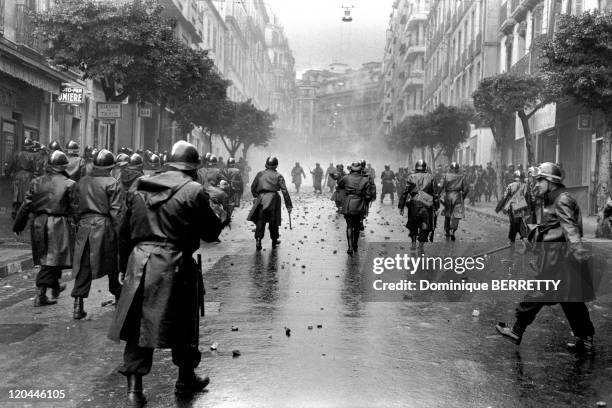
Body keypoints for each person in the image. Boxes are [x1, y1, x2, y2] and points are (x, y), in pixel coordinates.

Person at [108, 141, 225, 407]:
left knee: (138, 326)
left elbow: (123, 230)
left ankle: (134, 390)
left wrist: (122, 266)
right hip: (175, 262)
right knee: (184, 323)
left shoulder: (139, 185)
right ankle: (185, 378)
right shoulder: (194, 190)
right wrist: (219, 211)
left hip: (139, 262)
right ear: (193, 168)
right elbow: (210, 232)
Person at [496, 162, 596, 353]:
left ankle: (517, 330)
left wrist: (578, 252)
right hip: (559, 259)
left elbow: (569, 229)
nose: (538, 183)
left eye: (541, 179)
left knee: (536, 294)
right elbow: (550, 230)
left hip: (562, 261)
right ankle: (586, 341)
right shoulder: (553, 199)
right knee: (572, 302)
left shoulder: (562, 199)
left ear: (551, 181)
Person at [13, 150, 76, 306]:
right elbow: (76, 208)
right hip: (59, 224)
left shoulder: (36, 181)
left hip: (39, 223)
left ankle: (54, 285)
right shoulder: (69, 184)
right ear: (64, 166)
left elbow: (26, 205)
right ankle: (40, 294)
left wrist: (19, 224)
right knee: (52, 259)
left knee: (50, 258)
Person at [71, 149, 122, 319]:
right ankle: (118, 295)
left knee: (84, 266)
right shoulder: (113, 182)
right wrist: (120, 232)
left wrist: (78, 222)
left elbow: (76, 207)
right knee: (112, 263)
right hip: (104, 226)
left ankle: (78, 305)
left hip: (85, 226)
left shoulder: (82, 181)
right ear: (110, 167)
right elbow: (116, 212)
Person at [248, 157, 293, 250]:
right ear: (276, 165)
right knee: (273, 220)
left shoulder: (260, 174)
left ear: (266, 164)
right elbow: (284, 190)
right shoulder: (278, 175)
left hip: (261, 198)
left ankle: (258, 240)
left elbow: (253, 187)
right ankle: (274, 239)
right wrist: (288, 205)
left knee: (260, 219)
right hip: (274, 198)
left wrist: (257, 195)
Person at [399, 160, 436, 252]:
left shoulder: (410, 176)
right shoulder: (431, 177)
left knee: (413, 224)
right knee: (425, 225)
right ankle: (421, 246)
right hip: (427, 205)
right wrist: (437, 206)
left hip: (414, 204)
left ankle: (413, 243)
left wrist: (401, 206)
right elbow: (435, 193)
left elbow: (405, 192)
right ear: (425, 167)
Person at [339, 162, 374, 254]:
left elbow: (340, 185)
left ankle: (350, 247)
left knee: (349, 226)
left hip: (348, 204)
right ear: (360, 170)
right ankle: (355, 244)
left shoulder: (346, 177)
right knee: (357, 226)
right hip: (359, 204)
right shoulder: (365, 180)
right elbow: (369, 195)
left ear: (351, 169)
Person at [8, 138, 37, 219]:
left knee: (16, 194)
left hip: (17, 175)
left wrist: (8, 174)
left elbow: (10, 165)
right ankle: (24, 212)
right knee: (26, 195)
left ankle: (14, 210)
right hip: (28, 176)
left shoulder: (16, 154)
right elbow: (35, 168)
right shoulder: (33, 155)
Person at [441, 162, 469, 241]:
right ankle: (453, 230)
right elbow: (466, 189)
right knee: (456, 215)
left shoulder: (446, 176)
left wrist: (438, 195)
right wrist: (462, 197)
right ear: (457, 169)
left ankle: (447, 231)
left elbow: (441, 187)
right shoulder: (462, 177)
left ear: (450, 168)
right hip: (457, 197)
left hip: (448, 196)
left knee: (447, 214)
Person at [501, 170, 530, 244]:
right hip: (522, 207)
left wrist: (504, 207)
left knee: (513, 223)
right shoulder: (525, 186)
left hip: (513, 208)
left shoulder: (510, 185)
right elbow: (528, 197)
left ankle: (512, 240)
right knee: (521, 222)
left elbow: (505, 196)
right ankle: (524, 238)